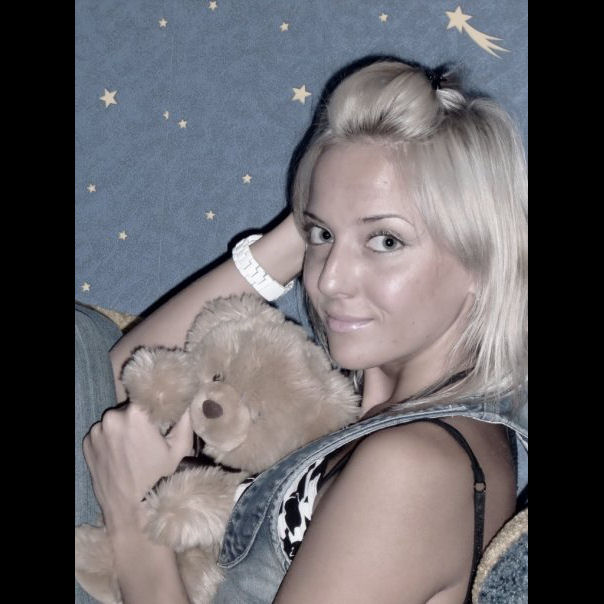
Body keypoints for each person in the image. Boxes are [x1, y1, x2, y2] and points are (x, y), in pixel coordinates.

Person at [76, 58, 527, 603]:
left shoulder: (416, 466)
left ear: (483, 259)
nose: (330, 279)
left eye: (386, 241)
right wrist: (313, 216)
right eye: (321, 236)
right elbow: (105, 382)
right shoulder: (381, 424)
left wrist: (131, 517)